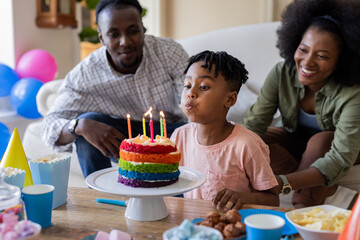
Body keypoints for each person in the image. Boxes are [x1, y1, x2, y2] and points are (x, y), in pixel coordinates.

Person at [42, 0, 188, 178]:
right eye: (113, 34)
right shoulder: (84, 75)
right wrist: (78, 126)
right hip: (123, 139)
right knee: (86, 123)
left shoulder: (168, 51)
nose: (125, 42)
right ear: (102, 37)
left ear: (143, 29)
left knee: (196, 131)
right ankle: (104, 198)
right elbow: (49, 127)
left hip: (170, 134)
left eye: (133, 31)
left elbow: (195, 101)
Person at [243, 0, 360, 209]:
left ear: (342, 60)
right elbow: (255, 124)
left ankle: (301, 205)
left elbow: (341, 156)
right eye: (304, 49)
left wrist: (284, 182)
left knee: (320, 140)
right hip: (297, 141)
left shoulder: (353, 93)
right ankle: (323, 184)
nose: (307, 61)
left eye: (322, 56)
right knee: (251, 139)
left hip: (342, 148)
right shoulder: (282, 73)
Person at [170, 51, 279, 211]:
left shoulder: (247, 145)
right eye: (187, 85)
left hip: (232, 229)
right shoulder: (179, 136)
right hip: (193, 226)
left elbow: (272, 200)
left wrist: (242, 197)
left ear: (229, 99)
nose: (191, 93)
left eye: (204, 87)